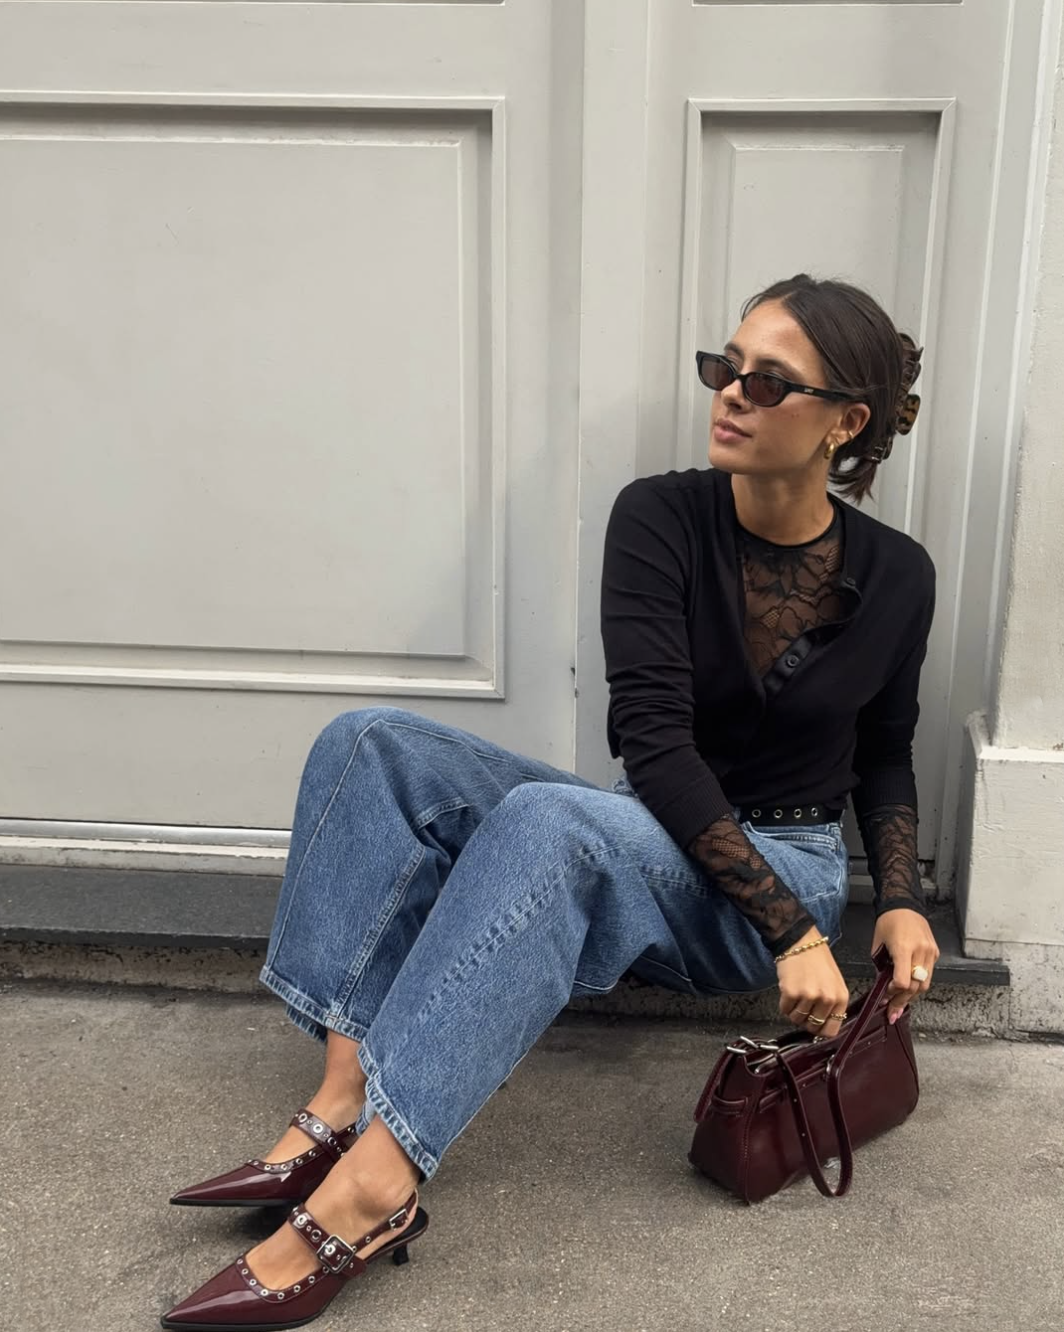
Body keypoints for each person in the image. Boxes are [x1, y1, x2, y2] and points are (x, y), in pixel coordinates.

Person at [162, 274, 940, 1330]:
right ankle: (344, 1096)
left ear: (842, 422)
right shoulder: (660, 516)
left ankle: (372, 1190)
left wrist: (884, 901)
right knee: (371, 745)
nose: (730, 395)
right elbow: (651, 745)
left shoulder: (897, 575)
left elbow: (884, 750)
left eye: (767, 382)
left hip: (776, 870)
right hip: (652, 822)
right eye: (723, 368)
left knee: (550, 825)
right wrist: (796, 932)